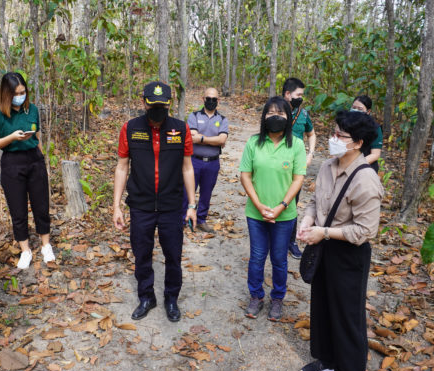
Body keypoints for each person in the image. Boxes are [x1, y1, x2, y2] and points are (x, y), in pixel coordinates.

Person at [297, 111, 383, 371]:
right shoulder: (327, 166)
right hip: (323, 246)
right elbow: (315, 201)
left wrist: (322, 232)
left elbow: (365, 230)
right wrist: (308, 219)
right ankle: (327, 358)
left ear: (357, 143)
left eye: (339, 135)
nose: (332, 139)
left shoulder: (365, 178)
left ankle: (351, 370)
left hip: (349, 253)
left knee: (347, 313)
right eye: (333, 132)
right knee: (322, 304)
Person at [112, 81, 197, 322]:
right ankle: (146, 297)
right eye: (153, 105)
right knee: (142, 253)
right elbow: (122, 167)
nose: (158, 109)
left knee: (173, 255)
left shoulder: (181, 129)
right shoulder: (130, 128)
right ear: (143, 103)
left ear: (169, 104)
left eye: (162, 105)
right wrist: (116, 206)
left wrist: (191, 205)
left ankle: (172, 298)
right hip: (141, 205)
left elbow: (188, 168)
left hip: (171, 205)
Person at [240, 96, 306, 321]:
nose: (275, 117)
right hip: (255, 213)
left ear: (289, 118)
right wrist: (258, 205)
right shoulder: (253, 142)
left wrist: (281, 206)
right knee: (257, 257)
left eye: (281, 113)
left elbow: (298, 180)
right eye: (270, 113)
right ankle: (256, 296)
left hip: (284, 214)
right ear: (263, 117)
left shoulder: (296, 144)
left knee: (279, 258)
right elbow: (245, 176)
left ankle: (277, 298)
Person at [0, 72, 55, 269]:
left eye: (23, 92)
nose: (21, 96)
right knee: (18, 209)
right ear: (6, 94)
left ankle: (45, 245)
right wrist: (12, 137)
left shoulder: (31, 109)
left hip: (34, 159)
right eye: (16, 93)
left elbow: (37, 136)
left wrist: (42, 161)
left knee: (41, 206)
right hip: (12, 162)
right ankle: (25, 250)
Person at [181, 87, 229, 233]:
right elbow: (193, 136)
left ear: (218, 101)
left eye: (214, 99)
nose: (211, 101)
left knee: (206, 193)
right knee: (187, 190)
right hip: (194, 161)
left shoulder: (222, 119)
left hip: (213, 162)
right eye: (208, 98)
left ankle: (201, 219)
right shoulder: (194, 116)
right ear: (203, 99)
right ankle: (184, 219)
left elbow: (222, 140)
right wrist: (211, 139)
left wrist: (202, 138)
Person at [282, 77, 316, 260]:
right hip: (277, 166)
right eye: (299, 95)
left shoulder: (303, 115)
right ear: (288, 94)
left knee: (292, 202)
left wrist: (310, 154)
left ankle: (291, 242)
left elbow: (311, 134)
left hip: (296, 167)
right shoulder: (276, 110)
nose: (301, 98)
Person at [351, 95, 383, 172]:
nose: (355, 110)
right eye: (354, 107)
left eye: (360, 109)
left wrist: (354, 165)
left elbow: (375, 155)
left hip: (366, 167)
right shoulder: (346, 124)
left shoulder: (375, 128)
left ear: (368, 112)